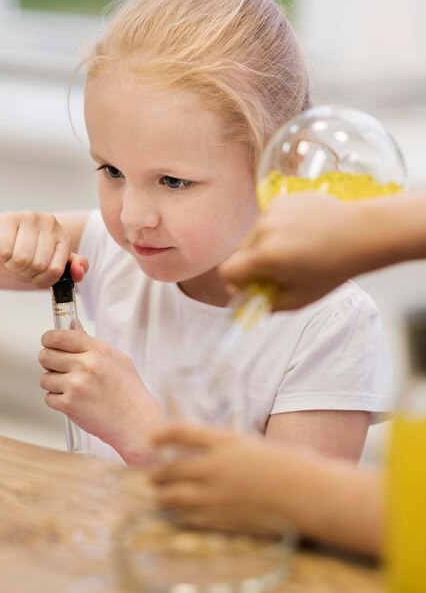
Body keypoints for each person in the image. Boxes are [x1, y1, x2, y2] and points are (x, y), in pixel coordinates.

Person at [0, 0, 392, 465]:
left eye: (173, 182)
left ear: (278, 165)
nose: (133, 216)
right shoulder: (106, 252)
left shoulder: (329, 325)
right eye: (111, 170)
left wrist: (141, 428)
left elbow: (298, 523)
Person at [151, 189, 426, 556]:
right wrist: (371, 228)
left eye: (174, 181)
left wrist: (295, 494)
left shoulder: (337, 317)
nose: (137, 217)